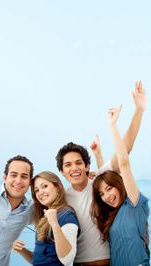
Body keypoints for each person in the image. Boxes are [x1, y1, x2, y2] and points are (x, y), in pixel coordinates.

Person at [55, 81, 146, 265]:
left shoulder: (100, 184)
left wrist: (139, 112)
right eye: (68, 165)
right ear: (62, 171)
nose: (75, 168)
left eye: (79, 163)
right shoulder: (62, 198)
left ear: (87, 166)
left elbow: (124, 152)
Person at [90, 104, 150, 266]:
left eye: (109, 189)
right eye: (102, 194)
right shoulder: (112, 215)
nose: (106, 196)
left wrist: (113, 126)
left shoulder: (134, 204)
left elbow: (123, 163)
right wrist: (98, 155)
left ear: (119, 184)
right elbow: (104, 178)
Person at [13, 171, 79, 265]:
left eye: (44, 186)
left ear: (58, 187)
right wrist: (22, 250)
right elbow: (38, 261)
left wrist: (54, 224)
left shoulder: (67, 216)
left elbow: (67, 259)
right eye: (36, 190)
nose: (40, 192)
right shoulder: (43, 219)